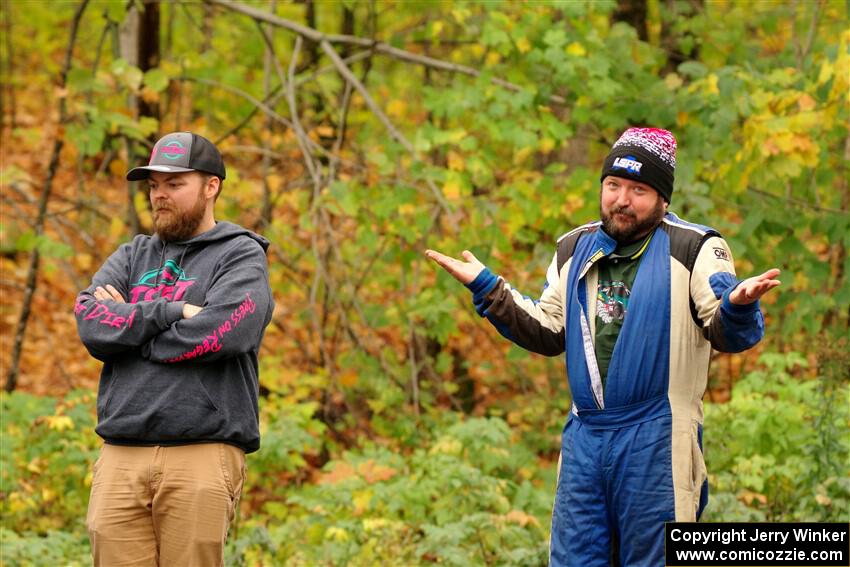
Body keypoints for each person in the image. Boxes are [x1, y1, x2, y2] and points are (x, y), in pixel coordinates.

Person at [425, 127, 780, 566]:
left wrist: (739, 306)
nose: (621, 200)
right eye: (613, 186)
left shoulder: (695, 247)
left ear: (663, 198)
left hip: (658, 435)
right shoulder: (574, 247)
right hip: (585, 439)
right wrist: (487, 287)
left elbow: (725, 326)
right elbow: (548, 329)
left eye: (638, 190)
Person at [74, 132, 274, 567]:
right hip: (121, 456)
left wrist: (132, 330)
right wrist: (172, 311)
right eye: (154, 186)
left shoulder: (240, 255)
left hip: (200, 454)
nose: (160, 196)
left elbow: (225, 333)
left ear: (211, 186)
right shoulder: (132, 256)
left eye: (175, 184)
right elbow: (91, 325)